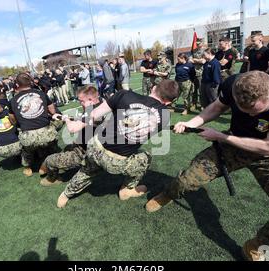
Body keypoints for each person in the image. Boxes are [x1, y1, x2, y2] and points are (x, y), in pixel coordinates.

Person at [146, 71, 269, 261]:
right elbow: (217, 107)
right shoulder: (235, 83)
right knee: (185, 181)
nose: (250, 115)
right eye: (243, 110)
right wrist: (191, 123)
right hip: (232, 146)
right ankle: (168, 194)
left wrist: (221, 137)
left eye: (254, 110)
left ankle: (256, 247)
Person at [55, 80, 179, 208]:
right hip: (115, 162)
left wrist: (78, 123)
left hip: (94, 147)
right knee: (145, 157)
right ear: (168, 102)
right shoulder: (165, 116)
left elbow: (94, 114)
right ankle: (127, 190)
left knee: (86, 170)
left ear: (153, 88)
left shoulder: (124, 94)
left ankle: (66, 194)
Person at [39, 85, 103, 186]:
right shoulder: (102, 104)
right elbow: (86, 121)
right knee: (68, 148)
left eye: (81, 101)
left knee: (50, 160)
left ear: (90, 99)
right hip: (94, 145)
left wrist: (66, 119)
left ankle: (52, 179)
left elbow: (72, 129)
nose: (80, 103)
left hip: (87, 152)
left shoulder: (91, 111)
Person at [9, 73, 60, 177]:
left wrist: (20, 123)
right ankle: (50, 161)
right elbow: (52, 110)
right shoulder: (41, 93)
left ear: (17, 84)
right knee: (55, 130)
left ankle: (27, 167)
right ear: (30, 82)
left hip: (29, 138)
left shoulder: (13, 100)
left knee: (26, 150)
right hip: (47, 134)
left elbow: (12, 119)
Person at [0, 103, 22, 175]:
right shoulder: (10, 115)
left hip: (3, 151)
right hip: (18, 148)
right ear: (1, 109)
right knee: (20, 132)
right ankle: (25, 159)